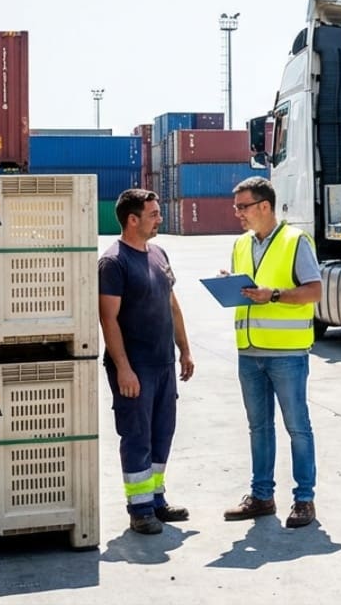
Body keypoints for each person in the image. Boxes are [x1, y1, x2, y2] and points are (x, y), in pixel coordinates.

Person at [224, 176, 323, 528]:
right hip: (249, 351)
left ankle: (304, 500)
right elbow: (248, 287)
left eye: (242, 207)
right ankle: (262, 496)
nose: (237, 213)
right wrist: (229, 284)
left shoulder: (296, 241)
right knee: (258, 428)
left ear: (264, 206)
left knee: (298, 427)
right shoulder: (240, 244)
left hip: (287, 354)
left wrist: (275, 295)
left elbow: (314, 291)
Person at [98, 189, 195, 535]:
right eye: (153, 214)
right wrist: (123, 368)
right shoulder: (113, 262)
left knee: (161, 433)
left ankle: (155, 499)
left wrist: (184, 349)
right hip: (134, 366)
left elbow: (172, 303)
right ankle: (138, 509)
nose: (159, 218)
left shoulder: (159, 253)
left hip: (163, 363)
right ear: (132, 219)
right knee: (137, 435)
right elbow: (108, 320)